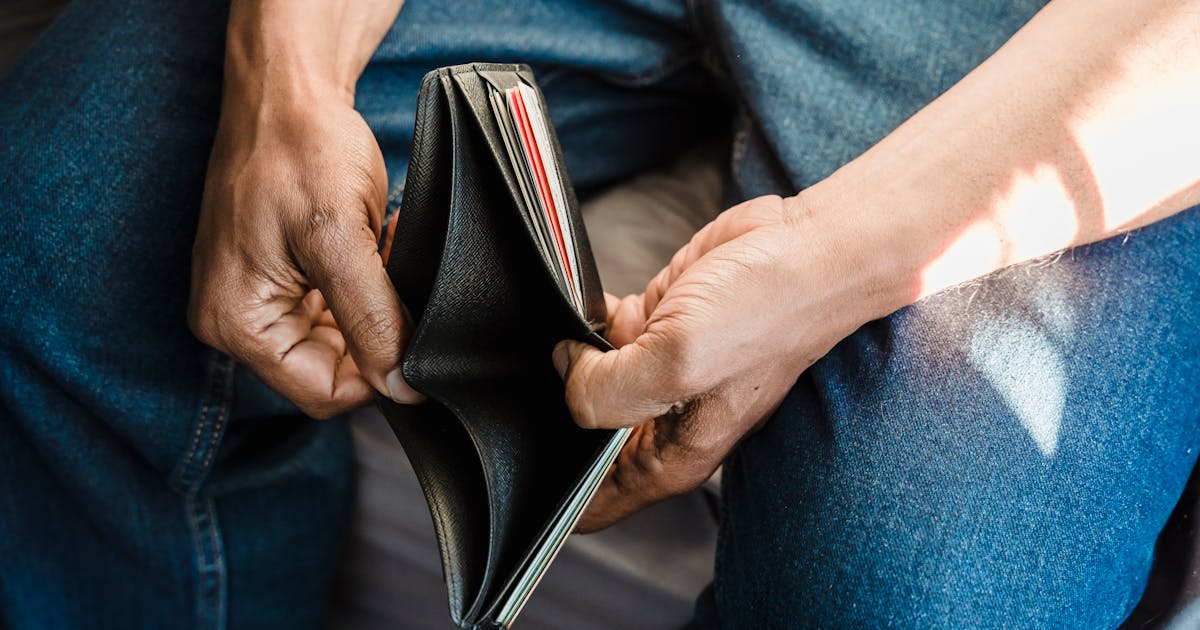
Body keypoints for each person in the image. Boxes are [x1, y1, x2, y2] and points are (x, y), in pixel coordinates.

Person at [1, 0, 1198, 627]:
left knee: (907, 597)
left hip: (1079, 37)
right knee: (63, 238)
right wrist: (288, 70)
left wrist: (836, 259)